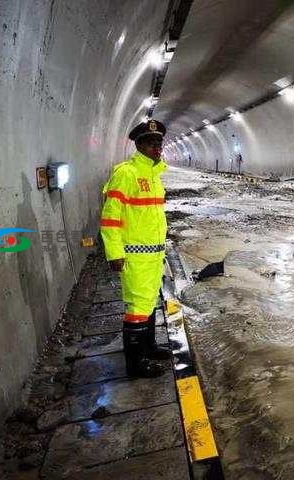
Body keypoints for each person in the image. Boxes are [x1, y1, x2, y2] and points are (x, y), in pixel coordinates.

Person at [99, 119, 171, 378]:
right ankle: (135, 363)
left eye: (159, 143)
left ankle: (149, 347)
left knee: (150, 301)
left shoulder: (153, 175)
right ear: (138, 144)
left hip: (154, 255)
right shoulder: (126, 173)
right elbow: (110, 216)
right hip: (135, 256)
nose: (156, 147)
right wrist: (114, 252)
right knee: (137, 307)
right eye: (151, 143)